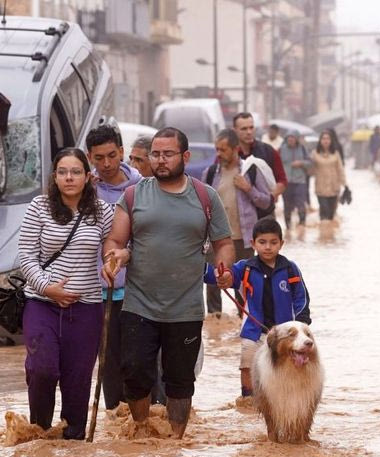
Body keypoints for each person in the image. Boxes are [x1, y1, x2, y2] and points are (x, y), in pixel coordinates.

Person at [102, 127, 235, 439]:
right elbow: (115, 240)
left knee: (180, 381)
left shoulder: (205, 197)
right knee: (134, 374)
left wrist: (224, 267)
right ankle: (141, 430)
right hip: (139, 305)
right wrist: (114, 257)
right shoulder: (134, 195)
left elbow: (224, 243)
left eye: (168, 154)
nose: (160, 160)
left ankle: (175, 441)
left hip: (185, 309)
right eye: (156, 154)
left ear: (185, 157)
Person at [18, 148, 114, 440]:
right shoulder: (39, 207)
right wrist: (48, 288)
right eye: (62, 172)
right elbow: (25, 256)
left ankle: (73, 444)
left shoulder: (102, 211)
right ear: (54, 176)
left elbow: (115, 246)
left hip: (86, 309)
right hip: (41, 303)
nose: (69, 178)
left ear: (87, 177)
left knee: (78, 380)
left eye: (75, 172)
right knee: (43, 369)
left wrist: (112, 262)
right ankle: (40, 434)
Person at [203, 216, 310, 403]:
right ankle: (248, 400)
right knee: (247, 365)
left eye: (273, 242)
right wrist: (211, 272)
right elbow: (224, 276)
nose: (267, 247)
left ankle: (284, 401)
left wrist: (301, 324)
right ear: (253, 243)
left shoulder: (291, 269)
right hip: (254, 331)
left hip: (284, 335)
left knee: (287, 367)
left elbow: (301, 299)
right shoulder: (245, 268)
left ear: (281, 244)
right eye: (262, 242)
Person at [86, 125, 142, 410]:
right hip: (98, 292)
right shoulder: (85, 191)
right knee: (108, 364)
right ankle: (115, 421)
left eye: (111, 155)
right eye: (99, 158)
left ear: (122, 152)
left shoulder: (142, 188)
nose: (106, 164)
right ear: (90, 157)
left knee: (139, 361)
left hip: (138, 292)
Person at [203, 128, 272, 315]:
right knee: (213, 284)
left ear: (235, 149)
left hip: (244, 238)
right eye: (216, 149)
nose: (218, 154)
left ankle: (245, 322)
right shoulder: (210, 173)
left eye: (223, 149)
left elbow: (267, 201)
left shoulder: (250, 171)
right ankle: (215, 324)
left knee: (244, 284)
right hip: (217, 239)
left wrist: (248, 188)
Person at [232, 112, 288, 201]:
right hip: (238, 209)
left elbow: (282, 180)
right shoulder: (229, 154)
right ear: (235, 130)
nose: (249, 132)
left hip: (264, 212)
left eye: (251, 127)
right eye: (244, 129)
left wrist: (270, 198)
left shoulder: (268, 151)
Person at [310, 130, 346, 238]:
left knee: (331, 215)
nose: (325, 141)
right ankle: (323, 238)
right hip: (320, 188)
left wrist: (345, 185)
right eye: (323, 139)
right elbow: (310, 170)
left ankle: (330, 238)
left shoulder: (335, 153)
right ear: (320, 141)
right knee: (324, 212)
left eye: (328, 139)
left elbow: (340, 169)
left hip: (334, 188)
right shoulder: (314, 154)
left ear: (331, 141)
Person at [278, 132, 311, 235]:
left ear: (296, 139)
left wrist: (301, 163)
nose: (290, 139)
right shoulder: (281, 149)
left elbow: (310, 162)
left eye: (293, 137)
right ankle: (288, 229)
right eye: (289, 137)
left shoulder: (302, 149)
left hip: (300, 181)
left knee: (301, 204)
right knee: (287, 206)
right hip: (286, 182)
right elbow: (276, 163)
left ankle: (302, 227)